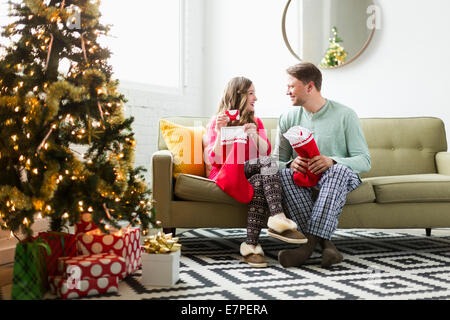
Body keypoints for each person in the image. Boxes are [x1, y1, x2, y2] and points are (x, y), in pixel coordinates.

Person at [273, 62, 371, 268]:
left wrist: (332, 160)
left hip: (339, 177)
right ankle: (328, 246)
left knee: (336, 170)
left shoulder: (345, 115)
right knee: (282, 175)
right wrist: (290, 164)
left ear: (310, 87)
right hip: (304, 179)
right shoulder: (287, 118)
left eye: (291, 86)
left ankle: (306, 248)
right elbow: (276, 163)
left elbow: (364, 160)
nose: (286, 91)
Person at [205, 76, 306, 268]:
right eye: (251, 93)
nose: (256, 98)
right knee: (266, 164)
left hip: (249, 173)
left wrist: (253, 135)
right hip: (227, 173)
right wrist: (220, 132)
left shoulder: (255, 122)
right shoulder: (217, 122)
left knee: (261, 178)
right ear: (239, 96)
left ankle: (251, 245)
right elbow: (216, 160)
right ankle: (277, 217)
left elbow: (265, 153)